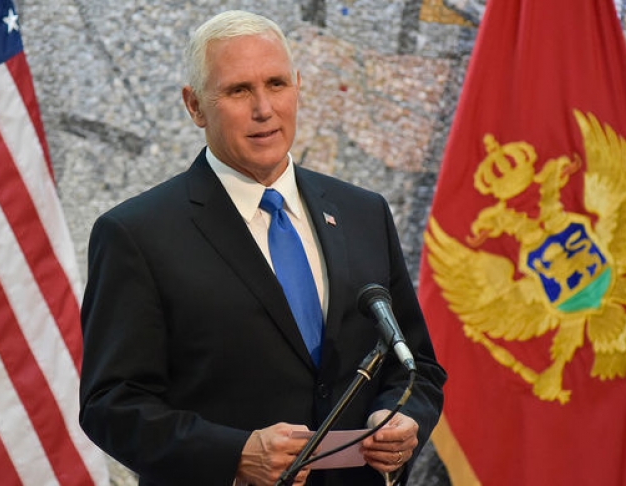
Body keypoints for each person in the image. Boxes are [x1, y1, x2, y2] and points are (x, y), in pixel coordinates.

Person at [79, 10, 446, 486]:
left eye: (276, 84)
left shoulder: (363, 213)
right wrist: (234, 454)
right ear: (195, 106)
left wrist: (401, 417)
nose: (264, 109)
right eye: (238, 90)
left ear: (298, 86)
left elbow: (415, 365)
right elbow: (111, 405)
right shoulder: (136, 234)